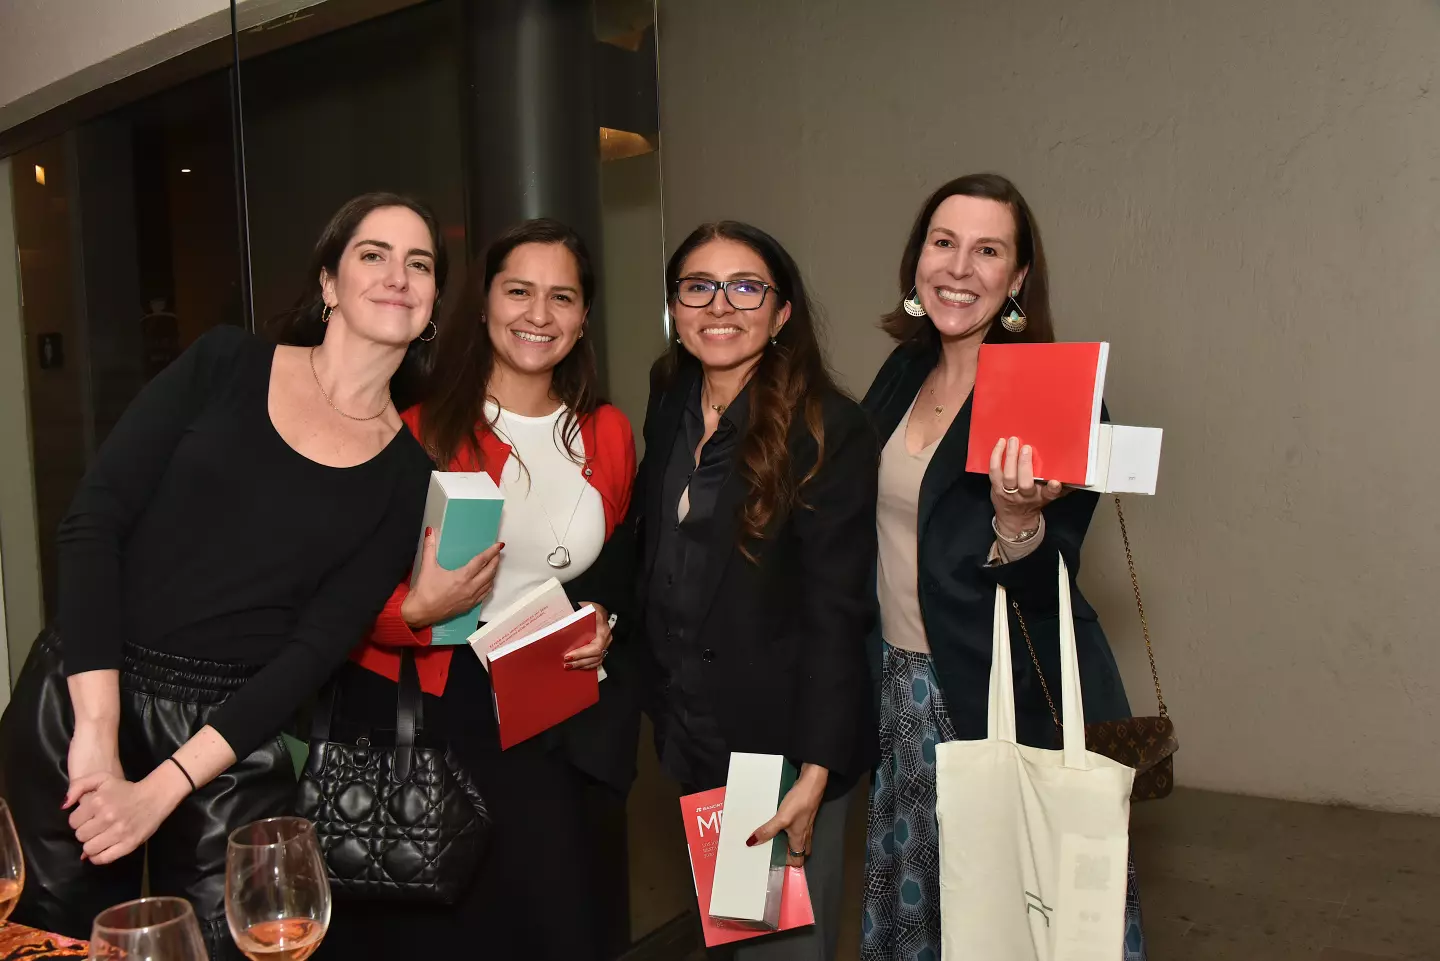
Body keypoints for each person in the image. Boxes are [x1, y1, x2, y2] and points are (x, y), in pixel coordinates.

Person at [0, 192, 444, 958]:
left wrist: (160, 789)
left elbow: (311, 653)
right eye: (373, 254)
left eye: (420, 263)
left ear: (433, 304)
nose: (397, 275)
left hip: (228, 736)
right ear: (330, 282)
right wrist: (98, 733)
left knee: (233, 944)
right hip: (85, 689)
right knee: (50, 939)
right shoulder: (224, 362)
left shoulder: (409, 477)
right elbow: (92, 522)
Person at [321, 219, 638, 961]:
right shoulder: (414, 431)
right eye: (518, 291)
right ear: (484, 301)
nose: (539, 314)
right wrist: (412, 614)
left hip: (551, 708)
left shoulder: (609, 432)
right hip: (436, 714)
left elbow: (611, 566)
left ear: (584, 316)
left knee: (555, 922)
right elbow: (333, 596)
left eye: (562, 297)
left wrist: (603, 617)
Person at [858, 173, 1147, 960]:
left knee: (1013, 923)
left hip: (999, 697)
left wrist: (1019, 521)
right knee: (926, 912)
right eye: (943, 242)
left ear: (1018, 278)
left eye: (988, 251)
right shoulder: (901, 373)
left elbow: (1053, 573)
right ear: (917, 260)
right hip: (899, 691)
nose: (959, 268)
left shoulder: (1052, 390)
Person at [630, 221, 878, 961]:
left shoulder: (826, 427)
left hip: (778, 752)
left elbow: (837, 609)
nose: (719, 305)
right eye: (698, 287)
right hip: (692, 731)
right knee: (733, 935)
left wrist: (815, 771)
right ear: (674, 308)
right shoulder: (671, 398)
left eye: (745, 287)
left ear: (782, 312)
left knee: (778, 949)